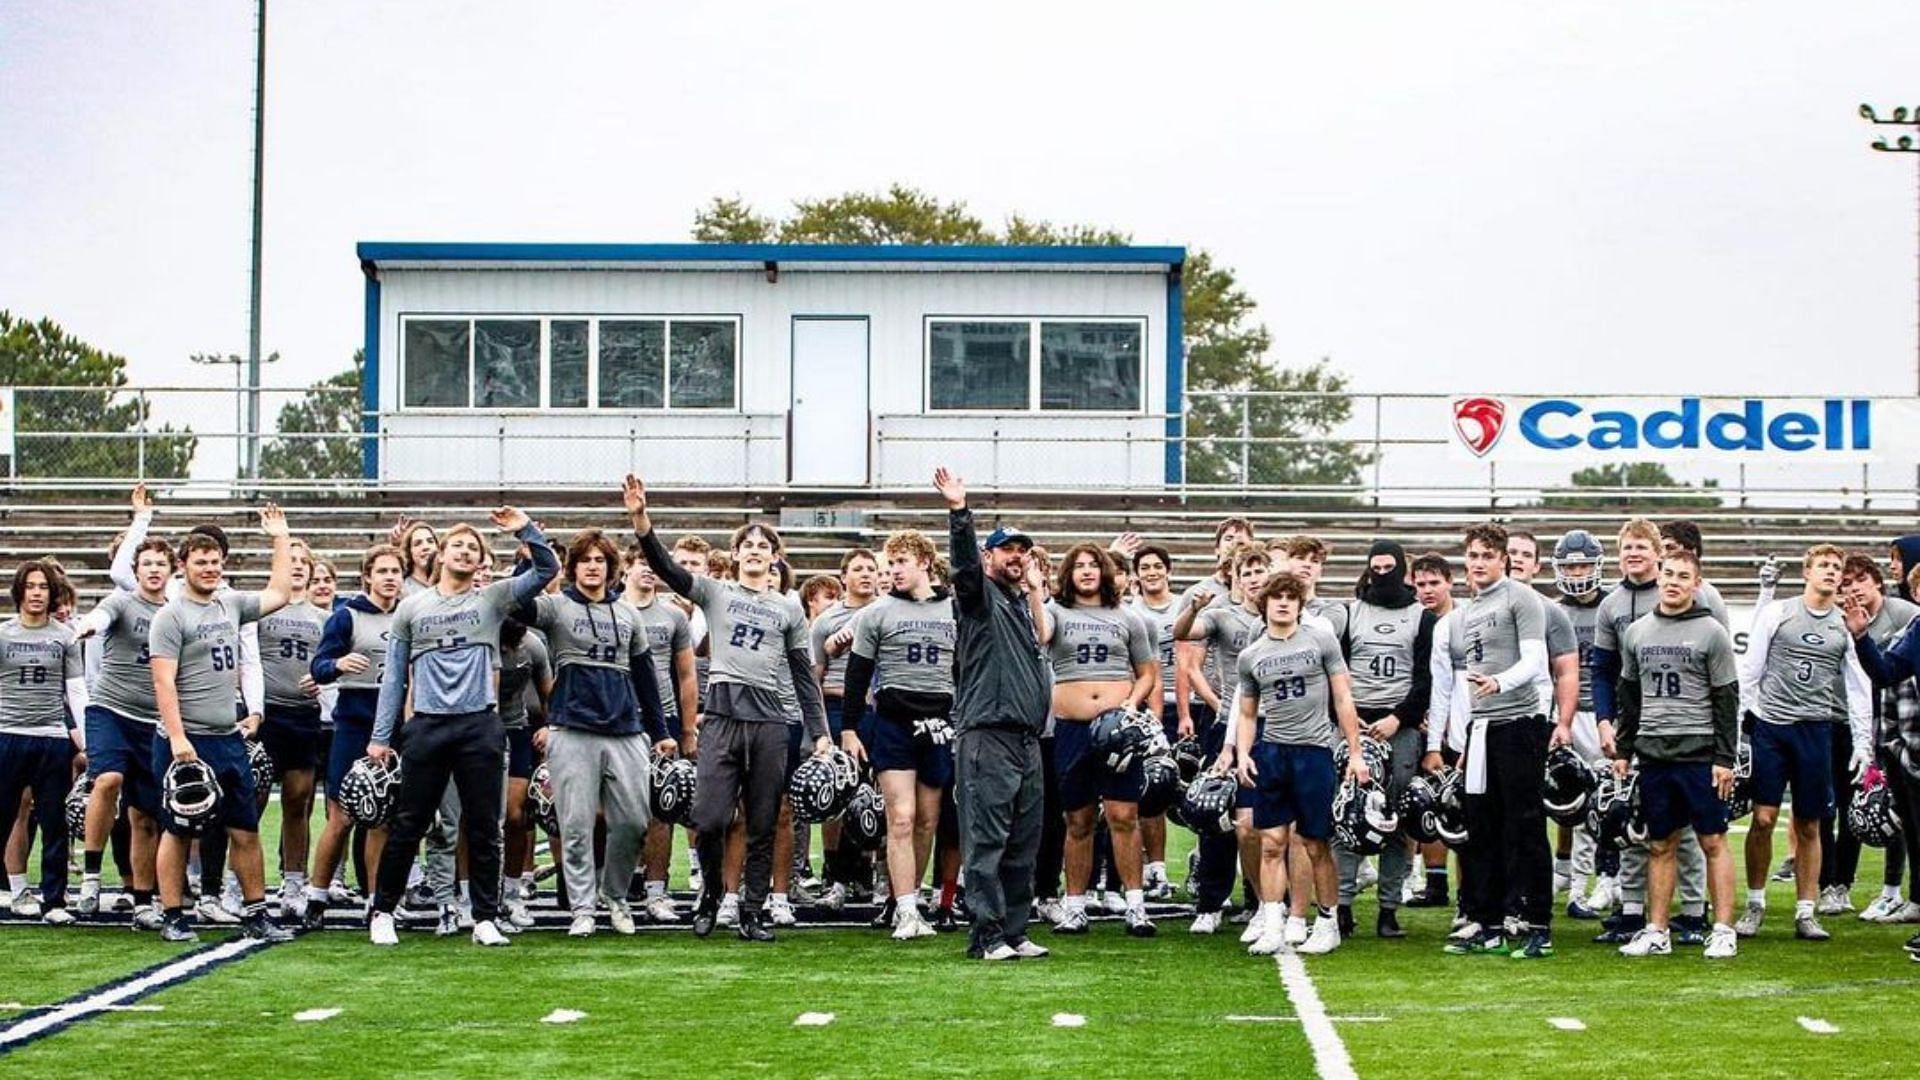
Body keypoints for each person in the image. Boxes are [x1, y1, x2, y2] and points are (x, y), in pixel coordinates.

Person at [627, 475, 831, 943]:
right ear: (736, 554)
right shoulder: (716, 592)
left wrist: (818, 730)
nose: (756, 550)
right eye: (748, 544)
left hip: (769, 721)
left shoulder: (788, 609)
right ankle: (711, 898)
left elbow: (802, 672)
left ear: (774, 557)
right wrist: (642, 521)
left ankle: (753, 912)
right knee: (712, 817)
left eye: (764, 545)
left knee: (762, 822)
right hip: (721, 717)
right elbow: (668, 569)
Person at [366, 507, 558, 948]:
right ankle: (383, 911)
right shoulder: (411, 608)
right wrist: (380, 738)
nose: (466, 552)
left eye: (474, 548)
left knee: (484, 825)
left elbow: (547, 568)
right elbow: (394, 676)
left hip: (479, 724)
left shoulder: (491, 600)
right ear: (441, 555)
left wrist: (524, 530)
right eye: (459, 545)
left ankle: (485, 917)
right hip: (428, 725)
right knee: (409, 824)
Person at [148, 506, 298, 944]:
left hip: (227, 736)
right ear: (184, 566)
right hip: (187, 740)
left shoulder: (230, 604)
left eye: (215, 562)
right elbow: (163, 681)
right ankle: (173, 914)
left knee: (245, 827)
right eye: (201, 562)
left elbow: (281, 593)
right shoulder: (170, 616)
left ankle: (256, 912)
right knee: (177, 829)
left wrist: (281, 538)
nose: (210, 569)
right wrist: (177, 737)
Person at [518, 526, 674, 938]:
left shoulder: (627, 614)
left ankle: (616, 895)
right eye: (585, 560)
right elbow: (516, 604)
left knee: (634, 821)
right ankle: (583, 907)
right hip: (572, 730)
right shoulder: (555, 608)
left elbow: (646, 677)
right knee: (575, 823)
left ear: (611, 568)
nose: (592, 567)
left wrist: (660, 731)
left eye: (599, 560)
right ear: (572, 568)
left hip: (625, 731)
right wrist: (528, 543)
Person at [933, 467, 1052, 961]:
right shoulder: (978, 599)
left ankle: (1015, 930)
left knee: (1024, 842)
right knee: (987, 840)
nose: (1017, 557)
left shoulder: (1018, 603)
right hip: (988, 735)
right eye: (1007, 550)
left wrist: (1035, 594)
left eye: (1022, 551)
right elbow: (962, 571)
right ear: (989, 557)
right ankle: (986, 935)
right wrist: (961, 514)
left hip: (1026, 739)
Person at [1735, 544, 1872, 942]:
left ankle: (1806, 910)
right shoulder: (1780, 613)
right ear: (1806, 572)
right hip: (1772, 727)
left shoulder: (1844, 627)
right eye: (1824, 565)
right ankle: (1756, 902)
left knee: (1810, 822)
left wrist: (1863, 741)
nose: (1831, 571)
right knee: (1762, 819)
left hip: (1816, 729)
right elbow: (1751, 669)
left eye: (1837, 567)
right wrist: (1741, 730)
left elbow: (1858, 687)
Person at [1431, 522, 1554, 959]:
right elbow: (1457, 683)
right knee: (1482, 827)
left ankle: (1539, 924)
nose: (1479, 563)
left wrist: (1501, 683)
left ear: (1503, 559)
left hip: (1519, 722)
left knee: (1525, 824)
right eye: (1473, 555)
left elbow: (1536, 660)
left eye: (1487, 555)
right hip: (1480, 729)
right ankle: (1490, 923)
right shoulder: (1461, 615)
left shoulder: (1521, 598)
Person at [1589, 519, 1714, 946]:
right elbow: (1603, 672)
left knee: (1690, 828)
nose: (1634, 554)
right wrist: (1606, 720)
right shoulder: (1611, 604)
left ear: (1658, 551)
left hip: (1685, 727)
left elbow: (1715, 670)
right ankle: (1631, 910)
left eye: (1642, 546)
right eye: (1627, 547)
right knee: (1632, 819)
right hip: (1636, 727)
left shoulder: (1702, 596)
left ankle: (1694, 911)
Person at [1611, 551, 1741, 960]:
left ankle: (1722, 929)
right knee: (1659, 843)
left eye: (1683, 576)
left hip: (1700, 754)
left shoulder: (1712, 632)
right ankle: (1657, 929)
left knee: (1713, 840)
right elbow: (1629, 697)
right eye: (1668, 574)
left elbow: (1726, 699)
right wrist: (1624, 749)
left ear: (1695, 584)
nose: (1673, 582)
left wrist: (1725, 757)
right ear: (1659, 577)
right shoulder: (1636, 632)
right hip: (1654, 753)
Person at [1234, 574, 1369, 956]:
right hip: (1273, 751)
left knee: (1315, 842)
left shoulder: (1321, 640)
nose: (1283, 603)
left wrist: (1355, 752)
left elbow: (1343, 698)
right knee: (1271, 843)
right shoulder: (1252, 655)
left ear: (1299, 603)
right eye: (1276, 596)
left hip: (1314, 750)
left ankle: (1328, 922)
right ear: (1265, 604)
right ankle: (1273, 924)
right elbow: (1247, 714)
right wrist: (1245, 753)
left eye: (1290, 597)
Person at [840, 529, 958, 940]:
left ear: (925, 562)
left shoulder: (954, 609)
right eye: (889, 564)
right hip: (894, 720)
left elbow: (962, 669)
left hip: (940, 720)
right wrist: (850, 727)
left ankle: (903, 898)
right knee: (902, 818)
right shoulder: (877, 612)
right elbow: (857, 673)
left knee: (927, 821)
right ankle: (907, 911)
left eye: (900, 563)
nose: (892, 572)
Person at [1038, 543, 1159, 938]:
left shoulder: (1128, 617)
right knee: (1078, 819)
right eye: (1079, 566)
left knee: (1124, 816)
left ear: (1105, 571)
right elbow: (1040, 635)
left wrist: (1130, 706)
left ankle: (1136, 906)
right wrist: (1033, 592)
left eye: (1094, 565)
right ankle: (1074, 906)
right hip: (1072, 727)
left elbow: (1146, 672)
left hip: (1117, 729)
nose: (1087, 571)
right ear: (1068, 574)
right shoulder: (1056, 611)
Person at [302, 544, 406, 930]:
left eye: (396, 570)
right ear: (368, 576)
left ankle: (376, 901)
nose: (390, 577)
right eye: (383, 571)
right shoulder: (346, 617)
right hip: (354, 724)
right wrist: (339, 664)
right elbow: (319, 667)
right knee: (341, 817)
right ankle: (316, 894)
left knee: (382, 818)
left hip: (393, 725)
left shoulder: (408, 614)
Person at [71, 534, 172, 927]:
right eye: (146, 563)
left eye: (160, 563)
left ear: (171, 570)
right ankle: (92, 875)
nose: (153, 570)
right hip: (111, 708)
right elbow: (101, 616)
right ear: (136, 570)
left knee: (146, 816)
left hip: (154, 720)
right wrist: (88, 625)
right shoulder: (123, 602)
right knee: (109, 778)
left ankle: (143, 899)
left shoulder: (177, 610)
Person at [1334, 541, 1434, 939]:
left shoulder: (1421, 617)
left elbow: (1426, 679)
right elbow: (1337, 673)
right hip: (1355, 723)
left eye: (1389, 567)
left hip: (1400, 727)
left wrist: (1399, 717)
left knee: (1396, 817)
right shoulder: (1350, 613)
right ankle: (1341, 905)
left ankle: (1388, 907)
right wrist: (1349, 719)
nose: (1381, 573)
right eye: (1375, 566)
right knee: (1346, 814)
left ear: (1402, 569)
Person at [1173, 544, 1272, 936]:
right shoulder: (1222, 615)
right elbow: (1181, 632)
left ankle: (1261, 901)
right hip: (1228, 723)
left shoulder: (1286, 614)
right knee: (1216, 815)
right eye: (1245, 572)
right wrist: (1194, 607)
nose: (1253, 579)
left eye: (1258, 571)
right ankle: (1210, 902)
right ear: (1233, 577)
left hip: (1274, 724)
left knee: (1259, 821)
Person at [1817, 555, 1920, 917]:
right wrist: (1860, 636)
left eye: (1859, 580)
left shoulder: (1904, 615)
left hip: (1905, 727)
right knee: (1908, 819)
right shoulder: (1913, 627)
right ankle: (1907, 897)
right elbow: (1885, 672)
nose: (1852, 588)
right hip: (1896, 732)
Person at [0, 560, 87, 925]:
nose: (37, 593)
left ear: (52, 593)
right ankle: (16, 889)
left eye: (43, 587)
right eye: (31, 586)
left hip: (51, 737)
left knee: (54, 822)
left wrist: (86, 739)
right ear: (19, 591)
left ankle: (54, 901)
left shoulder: (65, 636)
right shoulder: (3, 634)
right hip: (7, 734)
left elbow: (76, 688)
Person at [253, 539, 329, 919]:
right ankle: (241, 886)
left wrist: (324, 680)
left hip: (303, 715)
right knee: (252, 800)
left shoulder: (323, 617)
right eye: (291, 560)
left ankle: (294, 883)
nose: (297, 566)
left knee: (298, 801)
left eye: (304, 561)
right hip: (267, 715)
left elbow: (333, 667)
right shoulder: (262, 610)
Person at [622, 550, 696, 922]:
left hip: (660, 721)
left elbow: (686, 675)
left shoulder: (672, 616)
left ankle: (656, 891)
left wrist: (685, 728)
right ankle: (615, 888)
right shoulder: (612, 609)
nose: (649, 572)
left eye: (654, 567)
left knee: (660, 808)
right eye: (642, 565)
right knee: (617, 810)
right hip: (617, 718)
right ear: (626, 567)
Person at [812, 549, 881, 907]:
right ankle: (836, 875)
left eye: (872, 568)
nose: (866, 574)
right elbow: (815, 678)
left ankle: (871, 873)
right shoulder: (827, 619)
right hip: (839, 710)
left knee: (878, 794)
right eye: (858, 569)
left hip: (880, 710)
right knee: (838, 792)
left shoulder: (889, 611)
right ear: (843, 577)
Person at [1126, 545, 1184, 899]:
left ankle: (1196, 864)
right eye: (1144, 566)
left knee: (1184, 794)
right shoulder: (1131, 612)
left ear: (1168, 571)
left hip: (1185, 705)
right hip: (1143, 706)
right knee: (1148, 790)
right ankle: (1153, 869)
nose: (1151, 572)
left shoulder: (1182, 607)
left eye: (1157, 566)